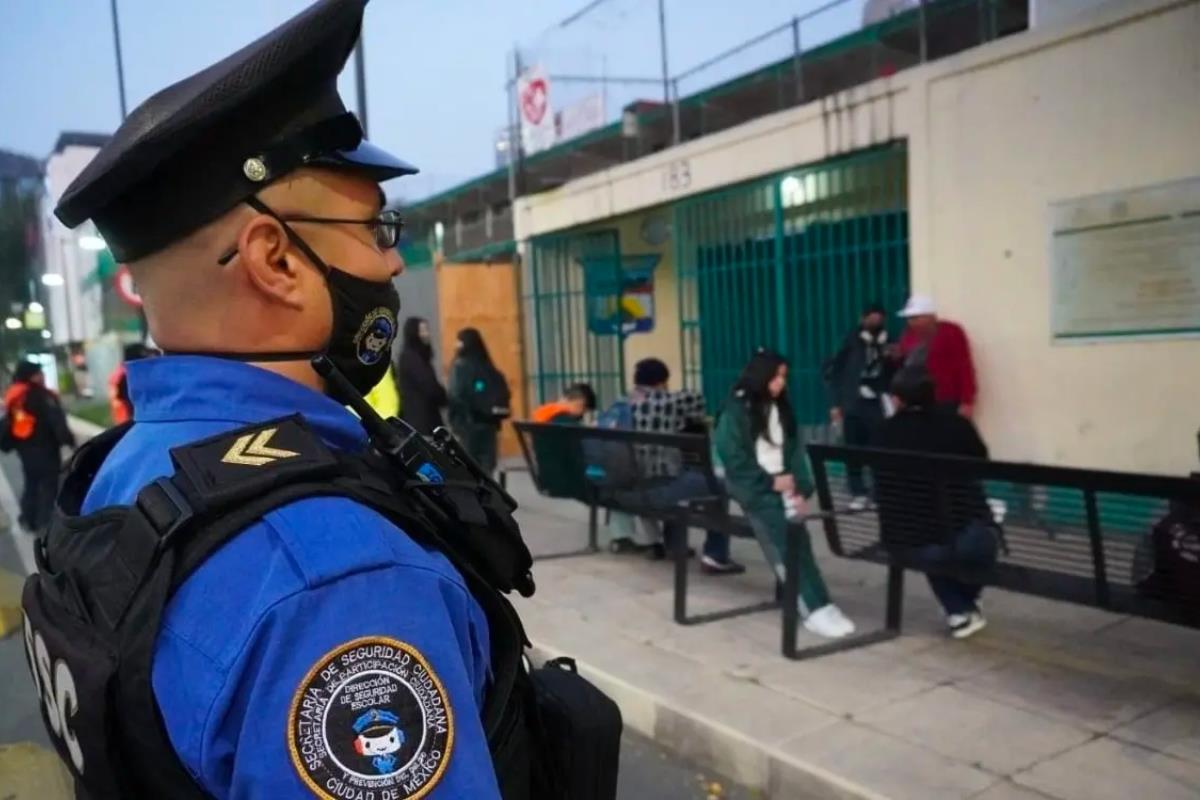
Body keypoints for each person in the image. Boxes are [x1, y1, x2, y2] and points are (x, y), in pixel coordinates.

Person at [23, 2, 543, 796]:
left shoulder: (121, 468)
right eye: (376, 229)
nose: (393, 265)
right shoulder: (339, 582)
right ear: (275, 259)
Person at [714, 349, 855, 638]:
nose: (780, 383)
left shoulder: (780, 408)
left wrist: (801, 490)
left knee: (801, 543)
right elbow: (734, 458)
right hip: (757, 489)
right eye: (776, 377)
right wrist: (769, 483)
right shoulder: (736, 410)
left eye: (783, 377)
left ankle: (823, 602)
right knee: (783, 544)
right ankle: (812, 609)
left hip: (783, 486)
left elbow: (794, 454)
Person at [874, 366, 999, 639]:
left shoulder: (883, 432)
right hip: (960, 534)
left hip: (906, 539)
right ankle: (963, 604)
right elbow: (981, 463)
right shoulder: (957, 425)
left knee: (927, 538)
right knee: (979, 536)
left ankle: (958, 610)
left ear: (896, 399)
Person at [619, 357, 744, 573]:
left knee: (682, 476)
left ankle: (675, 544)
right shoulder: (667, 402)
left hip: (623, 489)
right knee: (717, 486)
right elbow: (698, 403)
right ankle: (716, 555)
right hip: (654, 490)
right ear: (661, 381)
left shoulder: (621, 401)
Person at [824, 302, 893, 510]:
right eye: (871, 318)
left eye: (879, 318)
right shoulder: (850, 341)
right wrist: (835, 404)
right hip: (853, 401)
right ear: (863, 319)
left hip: (878, 401)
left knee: (878, 447)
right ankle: (857, 491)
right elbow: (834, 372)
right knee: (853, 448)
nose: (875, 322)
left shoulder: (888, 342)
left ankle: (878, 492)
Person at [3, 360, 74, 532]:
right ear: (32, 376)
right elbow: (56, 421)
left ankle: (28, 518)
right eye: (39, 373)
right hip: (46, 449)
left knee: (32, 483)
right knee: (49, 486)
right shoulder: (43, 395)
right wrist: (68, 440)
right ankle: (46, 524)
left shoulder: (16, 396)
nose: (42, 376)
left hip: (25, 449)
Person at [896, 295, 977, 417]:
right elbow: (904, 367)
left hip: (944, 398)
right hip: (914, 401)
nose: (911, 321)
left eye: (915, 317)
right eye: (909, 318)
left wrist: (967, 400)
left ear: (930, 316)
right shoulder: (908, 335)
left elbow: (963, 366)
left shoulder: (951, 332)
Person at [448, 327, 511, 474]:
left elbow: (455, 395)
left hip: (468, 425)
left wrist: (454, 422)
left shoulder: (460, 366)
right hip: (490, 425)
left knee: (469, 468)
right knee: (487, 468)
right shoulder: (487, 365)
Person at [396, 315, 447, 434]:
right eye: (423, 330)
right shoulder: (412, 358)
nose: (427, 334)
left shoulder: (415, 357)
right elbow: (429, 385)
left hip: (422, 420)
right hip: (422, 422)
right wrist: (443, 395)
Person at [109, 342, 155, 424]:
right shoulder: (127, 375)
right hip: (128, 418)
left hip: (124, 417)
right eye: (144, 354)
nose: (148, 357)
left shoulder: (122, 371)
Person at [531, 382, 596, 424]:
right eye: (584, 411)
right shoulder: (566, 422)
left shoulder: (545, 412)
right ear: (579, 403)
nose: (582, 415)